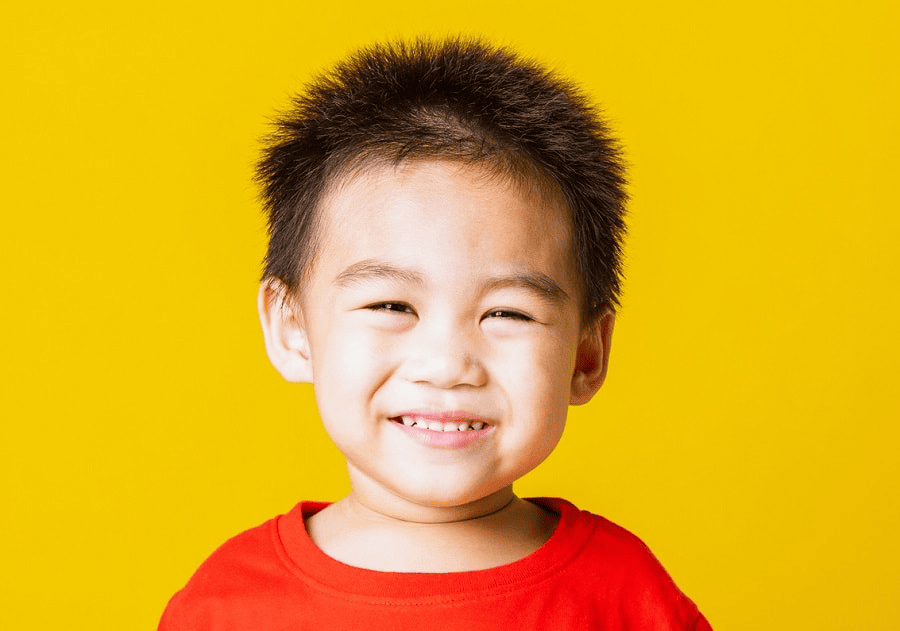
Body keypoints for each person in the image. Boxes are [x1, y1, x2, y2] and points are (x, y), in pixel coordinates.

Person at [159, 37, 712, 630]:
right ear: (293, 328)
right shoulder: (227, 606)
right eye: (392, 304)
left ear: (585, 354)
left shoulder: (626, 595)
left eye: (507, 314)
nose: (448, 364)